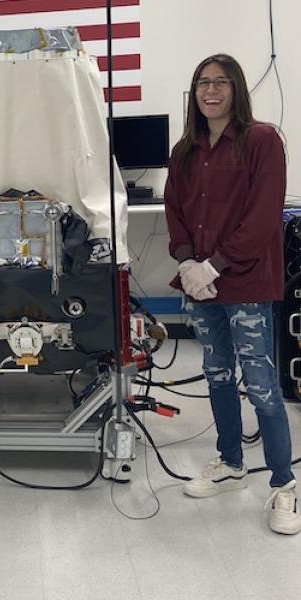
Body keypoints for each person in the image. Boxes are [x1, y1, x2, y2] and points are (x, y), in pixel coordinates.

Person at [164, 54, 300, 534]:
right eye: (202, 83)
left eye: (221, 82)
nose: (211, 91)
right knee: (218, 376)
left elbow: (264, 218)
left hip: (244, 284)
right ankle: (230, 462)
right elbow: (175, 212)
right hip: (200, 286)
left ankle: (284, 485)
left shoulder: (262, 141)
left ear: (236, 89)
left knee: (261, 385)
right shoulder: (185, 151)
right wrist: (185, 261)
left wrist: (213, 264)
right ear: (194, 93)